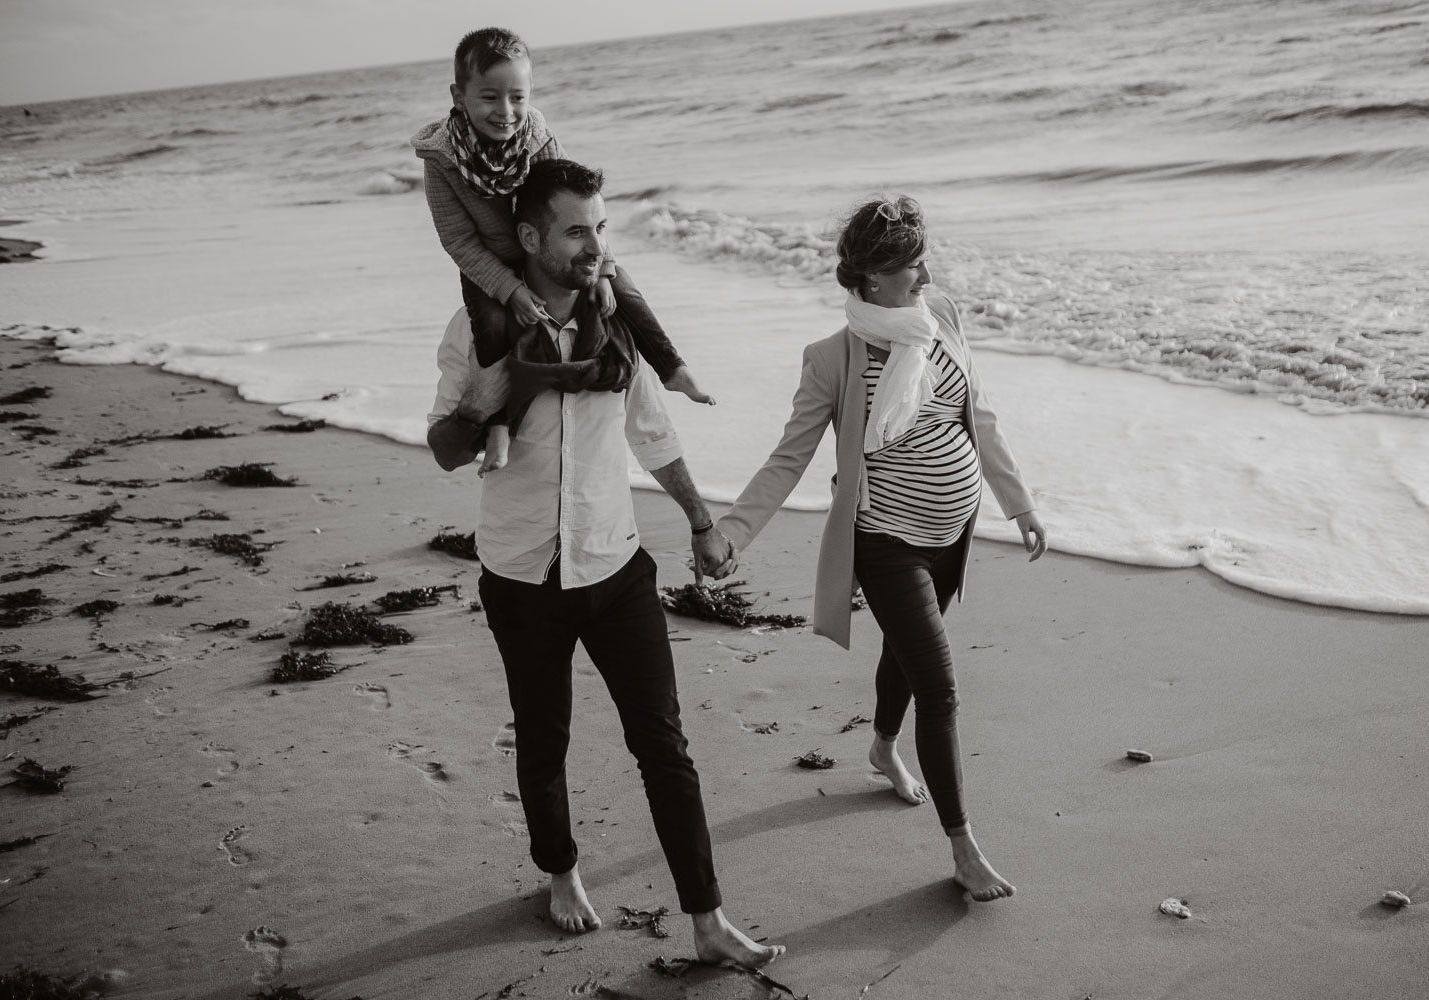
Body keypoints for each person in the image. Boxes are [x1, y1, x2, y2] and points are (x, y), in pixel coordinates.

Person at [427, 157, 782, 967]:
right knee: (544, 738)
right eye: (578, 229)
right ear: (530, 237)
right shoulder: (476, 333)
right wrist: (484, 400)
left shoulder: (613, 321)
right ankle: (560, 873)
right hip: (520, 574)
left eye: (602, 226)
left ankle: (709, 920)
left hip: (615, 567)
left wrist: (700, 520)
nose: (596, 245)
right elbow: (445, 449)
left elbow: (653, 436)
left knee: (664, 745)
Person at [716, 195, 1047, 903]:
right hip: (885, 539)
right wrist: (733, 533)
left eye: (924, 259)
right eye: (906, 266)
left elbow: (979, 416)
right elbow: (790, 455)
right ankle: (963, 849)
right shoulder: (832, 360)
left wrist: (1017, 502)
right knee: (940, 684)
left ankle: (881, 747)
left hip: (953, 531)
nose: (923, 276)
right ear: (868, 278)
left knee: (906, 650)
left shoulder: (942, 318)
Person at [414, 27, 712, 475]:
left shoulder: (536, 134)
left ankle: (672, 367)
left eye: (517, 97)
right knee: (492, 327)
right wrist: (508, 287)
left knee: (623, 289)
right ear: (459, 96)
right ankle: (497, 425)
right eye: (490, 97)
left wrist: (604, 271)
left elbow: (575, 201)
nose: (506, 111)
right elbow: (458, 240)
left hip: (545, 249)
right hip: (488, 263)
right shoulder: (441, 159)